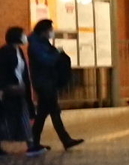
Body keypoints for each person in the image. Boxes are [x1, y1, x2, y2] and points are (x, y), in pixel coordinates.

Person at [28, 19, 83, 152]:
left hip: (47, 81)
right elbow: (46, 60)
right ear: (43, 31)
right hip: (44, 82)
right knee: (51, 111)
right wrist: (57, 54)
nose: (52, 33)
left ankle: (34, 142)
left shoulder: (41, 42)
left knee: (45, 112)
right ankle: (63, 140)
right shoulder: (36, 45)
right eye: (50, 30)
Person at [0, 26, 43, 157]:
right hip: (9, 92)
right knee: (6, 120)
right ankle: (30, 144)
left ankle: (31, 145)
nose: (25, 37)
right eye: (23, 34)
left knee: (23, 117)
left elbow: (22, 72)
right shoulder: (5, 52)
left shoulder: (19, 51)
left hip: (19, 91)